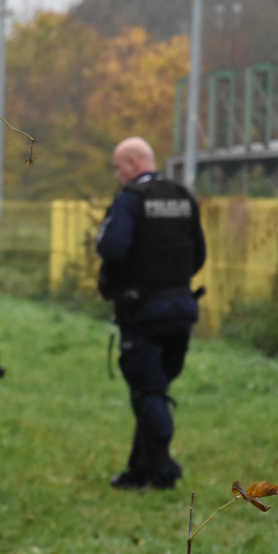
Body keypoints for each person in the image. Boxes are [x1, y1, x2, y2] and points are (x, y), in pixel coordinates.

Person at [96, 136, 206, 490]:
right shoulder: (183, 197)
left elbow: (111, 247)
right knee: (153, 389)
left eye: (118, 167)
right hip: (182, 309)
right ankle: (139, 470)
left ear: (131, 164)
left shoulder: (132, 200)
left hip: (143, 312)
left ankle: (163, 470)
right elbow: (199, 254)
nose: (117, 175)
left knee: (147, 393)